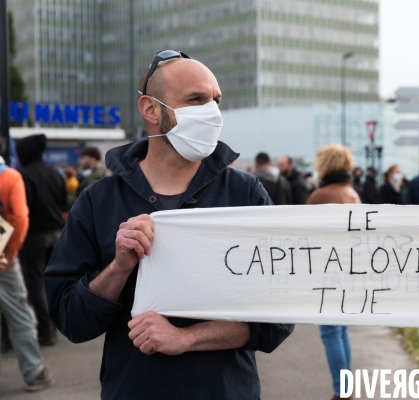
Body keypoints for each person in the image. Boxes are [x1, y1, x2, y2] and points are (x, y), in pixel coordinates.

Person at [43, 50, 293, 399]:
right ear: (151, 109)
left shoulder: (244, 192)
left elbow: (280, 314)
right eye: (196, 100)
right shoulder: (98, 201)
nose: (212, 113)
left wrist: (187, 337)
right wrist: (119, 268)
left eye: (216, 100)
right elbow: (70, 319)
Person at [306, 143, 359, 400]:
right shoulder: (352, 193)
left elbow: (303, 234)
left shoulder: (321, 195)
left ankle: (342, 390)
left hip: (329, 271)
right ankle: (346, 385)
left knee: (331, 331)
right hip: (349, 269)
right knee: (340, 330)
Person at [0, 154, 54, 392]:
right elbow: (20, 217)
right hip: (4, 258)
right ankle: (34, 372)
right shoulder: (9, 177)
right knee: (20, 313)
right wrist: (9, 252)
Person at [15, 134, 67, 346]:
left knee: (34, 284)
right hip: (56, 234)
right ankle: (56, 323)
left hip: (33, 236)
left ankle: (45, 331)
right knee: (52, 282)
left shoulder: (23, 175)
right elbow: (65, 209)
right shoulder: (55, 174)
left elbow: (20, 212)